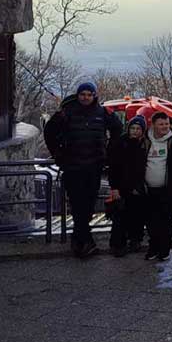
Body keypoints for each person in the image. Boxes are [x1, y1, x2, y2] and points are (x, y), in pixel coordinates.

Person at [43, 80, 122, 258]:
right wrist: (57, 153)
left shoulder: (103, 113)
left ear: (94, 96)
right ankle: (84, 242)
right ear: (78, 95)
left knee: (88, 206)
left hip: (94, 166)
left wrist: (109, 151)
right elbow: (49, 131)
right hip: (72, 166)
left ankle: (80, 241)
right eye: (82, 94)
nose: (86, 97)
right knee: (78, 205)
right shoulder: (67, 112)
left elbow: (118, 128)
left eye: (89, 94)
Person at [142, 111, 172, 261]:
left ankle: (164, 249)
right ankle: (153, 246)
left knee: (167, 220)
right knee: (151, 220)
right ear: (153, 125)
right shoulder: (144, 140)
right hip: (148, 189)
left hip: (169, 189)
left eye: (167, 124)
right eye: (161, 124)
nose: (164, 126)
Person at [107, 115, 149, 257]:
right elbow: (113, 168)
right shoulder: (120, 143)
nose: (135, 131)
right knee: (120, 217)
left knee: (137, 216)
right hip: (122, 186)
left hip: (138, 186)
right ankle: (118, 244)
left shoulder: (145, 144)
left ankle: (135, 240)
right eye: (133, 128)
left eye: (138, 129)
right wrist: (114, 187)